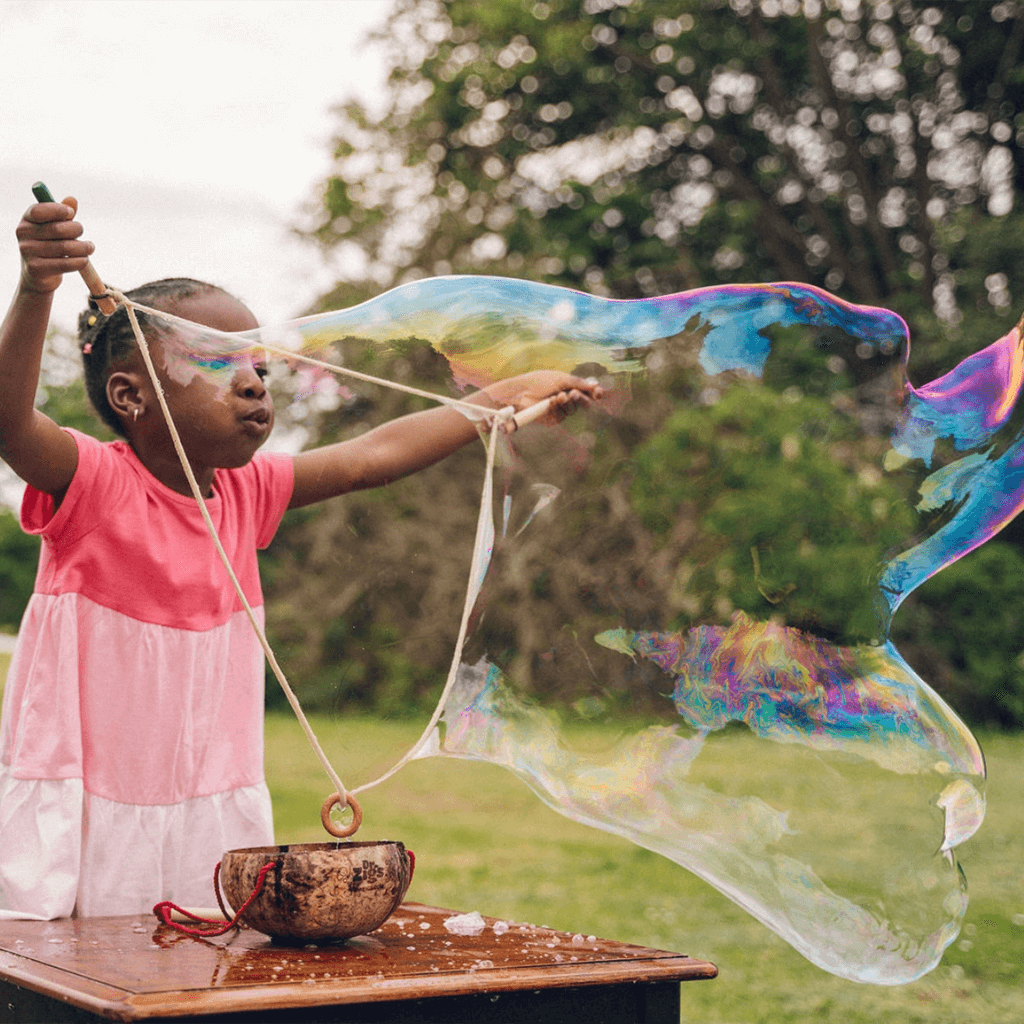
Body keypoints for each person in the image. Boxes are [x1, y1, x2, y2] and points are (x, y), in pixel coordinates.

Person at [0, 195, 601, 920]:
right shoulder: (97, 483)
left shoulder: (246, 491)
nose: (253, 381)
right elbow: (8, 422)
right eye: (218, 362)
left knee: (201, 966)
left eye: (257, 365)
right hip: (91, 801)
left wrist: (505, 396)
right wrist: (37, 289)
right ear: (131, 395)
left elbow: (370, 457)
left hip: (208, 804)